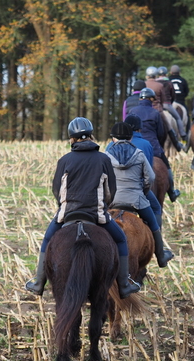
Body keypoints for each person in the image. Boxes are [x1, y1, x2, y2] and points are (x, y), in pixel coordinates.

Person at [25, 117, 141, 299]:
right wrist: (104, 206)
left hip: (68, 213)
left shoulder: (65, 160)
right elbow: (111, 191)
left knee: (47, 240)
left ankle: (39, 282)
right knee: (120, 240)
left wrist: (64, 206)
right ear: (91, 135)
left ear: (72, 138)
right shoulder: (103, 159)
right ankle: (124, 284)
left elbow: (57, 190)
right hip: (97, 215)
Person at [106, 122, 174, 267]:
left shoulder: (106, 156)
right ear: (130, 138)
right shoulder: (139, 154)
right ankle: (161, 256)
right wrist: (143, 191)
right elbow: (151, 177)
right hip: (136, 199)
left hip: (112, 199)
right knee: (153, 223)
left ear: (113, 139)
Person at [129, 88, 181, 203]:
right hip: (153, 146)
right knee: (167, 167)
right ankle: (172, 191)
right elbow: (161, 133)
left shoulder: (132, 111)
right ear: (152, 100)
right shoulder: (155, 113)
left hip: (133, 146)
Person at [123, 114, 162, 227]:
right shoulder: (146, 144)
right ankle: (157, 242)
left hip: (116, 191)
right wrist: (144, 191)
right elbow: (148, 175)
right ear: (139, 129)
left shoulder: (111, 145)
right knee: (156, 208)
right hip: (136, 190)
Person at [156, 66, 187, 140]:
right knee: (178, 118)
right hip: (167, 104)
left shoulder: (156, 82)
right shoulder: (169, 82)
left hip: (157, 105)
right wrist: (170, 102)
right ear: (166, 74)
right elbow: (173, 95)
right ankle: (182, 134)